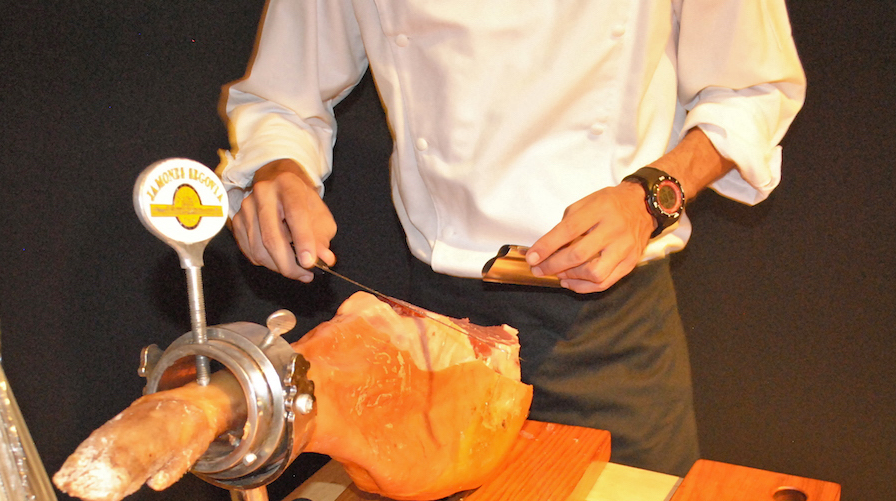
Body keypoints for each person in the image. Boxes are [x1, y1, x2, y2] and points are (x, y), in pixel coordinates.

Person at [218, 1, 806, 475]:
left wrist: (649, 198)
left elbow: (751, 91)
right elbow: (280, 98)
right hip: (435, 331)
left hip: (607, 332)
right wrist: (280, 169)